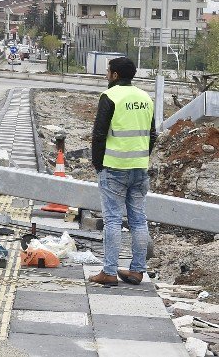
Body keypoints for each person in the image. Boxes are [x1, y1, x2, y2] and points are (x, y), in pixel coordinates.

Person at [87, 56, 155, 287]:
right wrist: (142, 157)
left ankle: (108, 272)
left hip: (114, 168)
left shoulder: (110, 96)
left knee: (113, 220)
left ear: (115, 75)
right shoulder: (145, 97)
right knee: (138, 220)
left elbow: (98, 134)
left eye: (108, 72)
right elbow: (152, 134)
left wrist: (98, 165)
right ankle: (137, 271)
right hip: (139, 168)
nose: (107, 75)